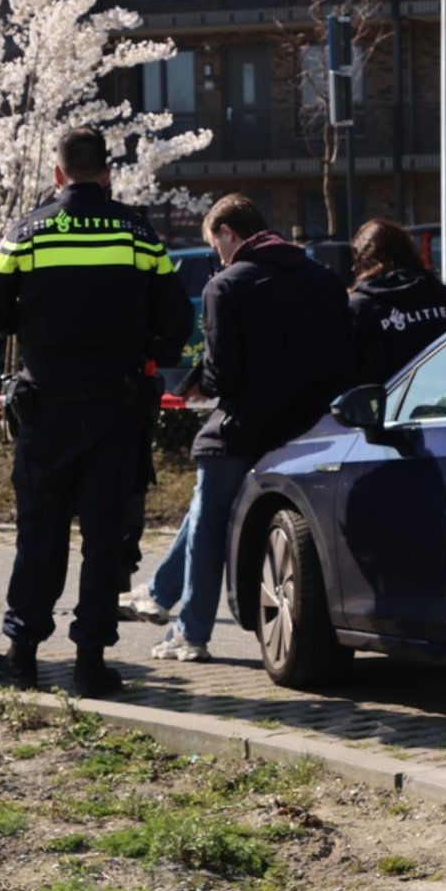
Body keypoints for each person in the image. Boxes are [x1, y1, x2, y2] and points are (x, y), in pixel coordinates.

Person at [0, 128, 194, 696]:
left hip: (47, 408)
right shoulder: (139, 232)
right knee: (104, 538)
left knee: (39, 534)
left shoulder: (26, 232)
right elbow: (176, 322)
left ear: (56, 173)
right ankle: (90, 664)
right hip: (117, 409)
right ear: (108, 174)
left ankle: (22, 655)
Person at [137, 194, 354, 663]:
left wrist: (200, 385)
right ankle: (157, 592)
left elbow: (224, 375)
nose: (217, 255)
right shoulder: (323, 279)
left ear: (228, 233)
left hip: (246, 426)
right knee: (204, 504)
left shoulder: (227, 285)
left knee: (209, 521)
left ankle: (190, 634)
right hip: (309, 427)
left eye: (215, 245)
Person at [344, 217, 446, 385]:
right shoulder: (439, 293)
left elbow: (347, 369)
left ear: (363, 261)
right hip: (442, 397)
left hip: (387, 405)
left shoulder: (357, 306)